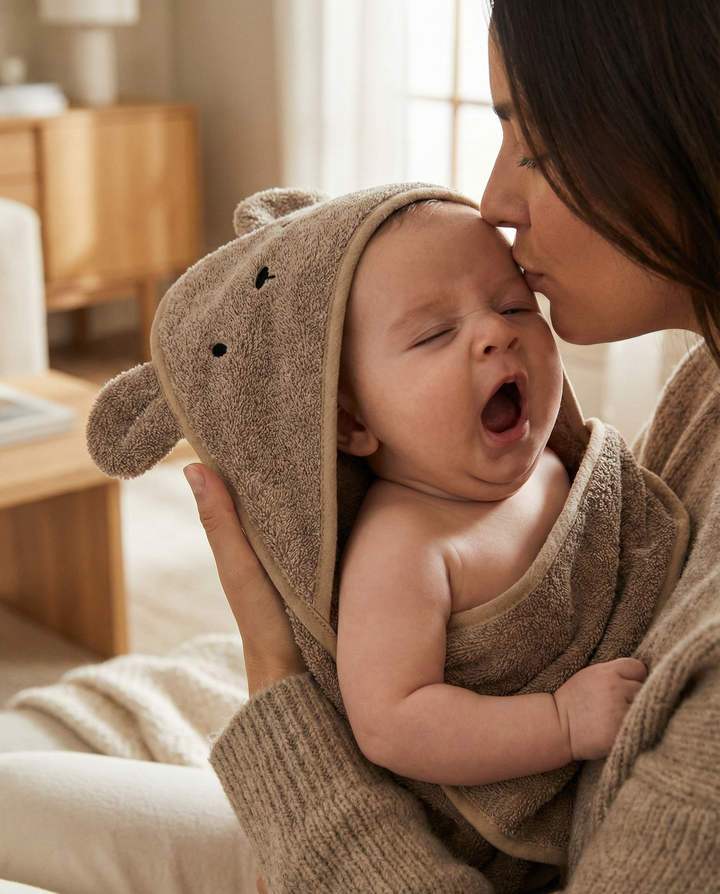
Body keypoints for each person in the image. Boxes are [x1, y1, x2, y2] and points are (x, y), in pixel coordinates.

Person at [198, 0, 720, 892]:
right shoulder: (705, 385)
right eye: (433, 334)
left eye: (538, 144)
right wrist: (557, 721)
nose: (494, 201)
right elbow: (394, 718)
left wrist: (275, 680)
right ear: (351, 422)